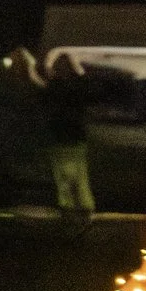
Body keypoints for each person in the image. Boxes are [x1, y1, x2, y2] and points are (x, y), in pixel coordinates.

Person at [41, 51, 96, 226]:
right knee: (80, 171)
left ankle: (68, 205)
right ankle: (85, 205)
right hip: (77, 134)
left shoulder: (53, 87)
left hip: (58, 135)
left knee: (63, 173)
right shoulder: (80, 85)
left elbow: (46, 108)